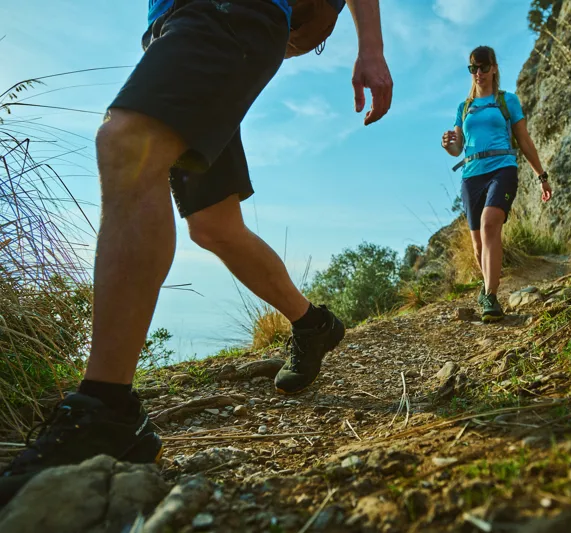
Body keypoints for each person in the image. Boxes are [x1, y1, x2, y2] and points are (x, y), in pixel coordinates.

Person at [0, 0, 392, 502]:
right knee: (214, 226)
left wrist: (371, 49)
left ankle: (107, 410)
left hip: (228, 12)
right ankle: (314, 325)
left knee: (128, 142)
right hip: (176, 25)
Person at [441, 45, 552, 323]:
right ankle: (487, 288)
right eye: (473, 68)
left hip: (503, 168)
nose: (478, 73)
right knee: (478, 246)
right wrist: (448, 146)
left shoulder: (508, 101)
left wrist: (542, 176)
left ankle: (490, 296)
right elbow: (458, 149)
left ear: (494, 68)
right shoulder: (463, 107)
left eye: (483, 67)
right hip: (471, 175)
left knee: (491, 222)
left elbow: (524, 141)